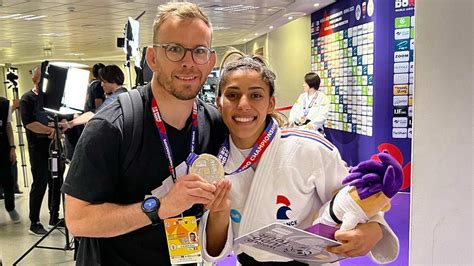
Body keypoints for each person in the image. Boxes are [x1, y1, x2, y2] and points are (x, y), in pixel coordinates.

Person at [62, 2, 232, 265]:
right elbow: (77, 220)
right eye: (174, 49)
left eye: (199, 51)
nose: (188, 62)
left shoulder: (214, 124)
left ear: (210, 61)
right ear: (152, 58)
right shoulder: (112, 126)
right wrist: (161, 207)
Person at [215, 52, 399, 265]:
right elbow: (218, 243)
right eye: (232, 95)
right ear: (219, 102)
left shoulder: (308, 147)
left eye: (256, 95)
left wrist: (375, 228)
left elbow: (349, 194)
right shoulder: (215, 159)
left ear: (271, 103)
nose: (243, 104)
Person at [20, 66, 61, 235]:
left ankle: (54, 216)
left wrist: (58, 128)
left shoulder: (50, 99)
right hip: (38, 149)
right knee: (40, 183)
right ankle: (34, 221)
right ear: (35, 79)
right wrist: (49, 130)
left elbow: (59, 118)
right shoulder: (27, 99)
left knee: (56, 181)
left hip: (55, 148)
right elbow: (29, 123)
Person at [62, 64, 128, 130]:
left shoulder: (116, 97)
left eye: (103, 82)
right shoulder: (123, 92)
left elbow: (95, 113)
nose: (102, 85)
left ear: (112, 81)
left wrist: (70, 124)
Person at [0, 96, 21, 223]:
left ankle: (10, 207)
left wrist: (12, 148)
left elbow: (8, 126)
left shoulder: (4, 104)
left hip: (3, 146)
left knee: (8, 179)